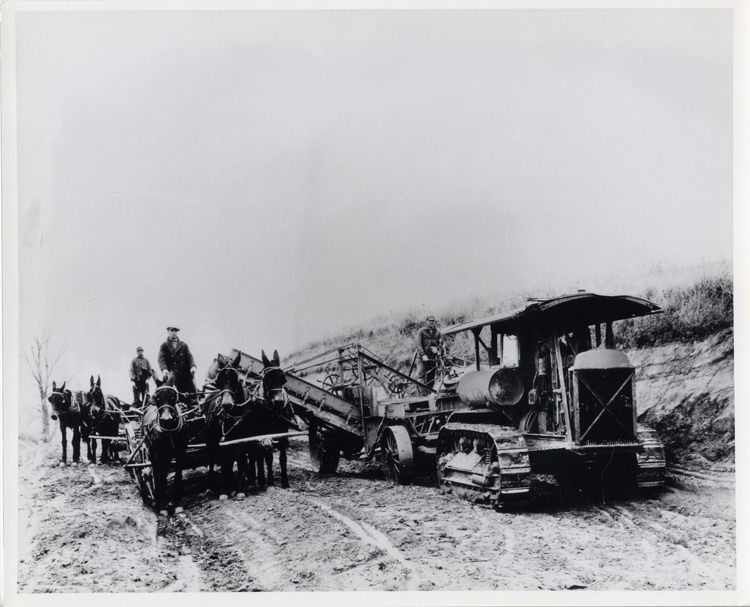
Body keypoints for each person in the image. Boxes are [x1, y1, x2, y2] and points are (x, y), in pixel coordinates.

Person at [158, 327, 198, 401]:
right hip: (172, 376)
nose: (174, 332)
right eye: (172, 330)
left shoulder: (184, 345)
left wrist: (193, 366)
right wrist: (164, 369)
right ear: (168, 331)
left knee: (192, 395)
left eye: (175, 330)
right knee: (171, 396)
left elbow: (189, 357)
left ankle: (193, 404)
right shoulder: (164, 346)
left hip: (185, 374)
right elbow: (161, 359)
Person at [415, 315, 442, 392]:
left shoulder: (438, 332)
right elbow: (418, 343)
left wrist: (437, 349)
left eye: (433, 321)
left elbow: (441, 345)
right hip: (422, 358)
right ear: (426, 321)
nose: (432, 322)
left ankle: (428, 393)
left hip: (432, 359)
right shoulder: (421, 331)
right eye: (430, 321)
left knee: (431, 378)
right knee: (421, 376)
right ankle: (420, 393)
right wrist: (423, 355)